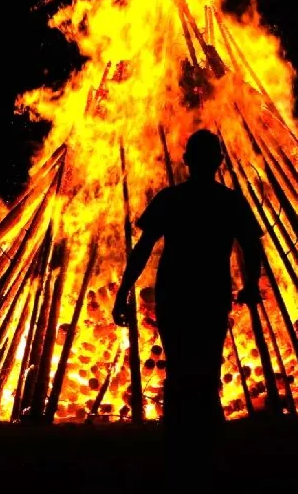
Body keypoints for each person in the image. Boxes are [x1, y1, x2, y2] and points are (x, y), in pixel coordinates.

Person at [112, 129, 262, 490]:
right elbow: (251, 246)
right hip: (209, 294)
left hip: (177, 294)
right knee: (207, 369)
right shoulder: (229, 201)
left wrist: (124, 291)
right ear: (219, 162)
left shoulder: (172, 199)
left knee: (181, 370)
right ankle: (204, 450)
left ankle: (181, 450)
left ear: (187, 160)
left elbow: (143, 248)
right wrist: (251, 285)